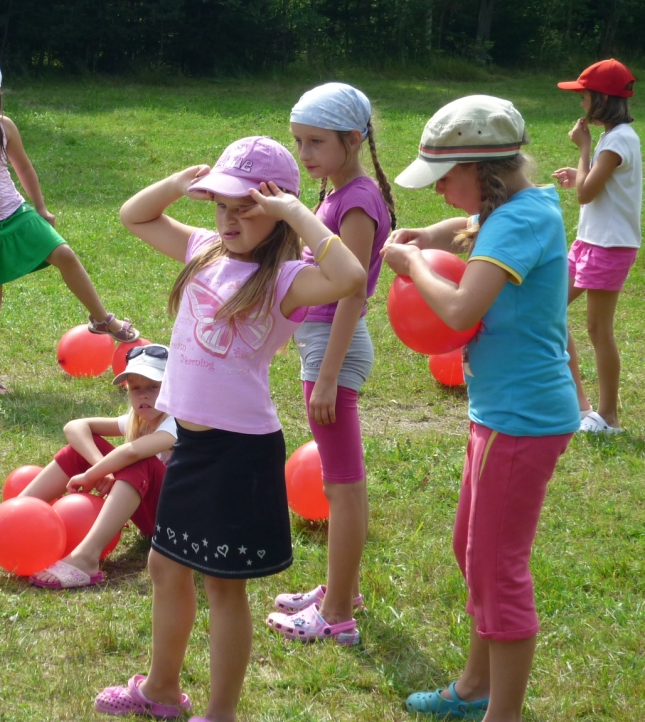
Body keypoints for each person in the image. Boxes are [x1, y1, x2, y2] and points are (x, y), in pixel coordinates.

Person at [94, 136, 365, 722]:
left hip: (240, 452)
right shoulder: (203, 248)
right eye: (221, 204)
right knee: (165, 566)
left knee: (223, 586)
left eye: (247, 208)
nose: (229, 219)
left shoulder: (288, 278)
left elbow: (349, 276)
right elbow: (133, 215)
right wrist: (180, 182)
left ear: (278, 211)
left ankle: (220, 713)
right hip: (189, 443)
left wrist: (296, 212)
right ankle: (162, 691)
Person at [382, 96, 579, 721]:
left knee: (497, 569)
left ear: (483, 171)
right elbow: (470, 225)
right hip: (501, 412)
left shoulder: (517, 222)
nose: (438, 189)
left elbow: (461, 309)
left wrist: (413, 263)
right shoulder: (520, 206)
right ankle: (474, 687)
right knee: (472, 549)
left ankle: (502, 713)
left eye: (445, 177)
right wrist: (430, 237)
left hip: (521, 420)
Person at [0, 54, 139, 394]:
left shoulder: (5, 127)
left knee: (64, 254)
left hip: (15, 213)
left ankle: (103, 319)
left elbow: (25, 168)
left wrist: (41, 208)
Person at [265, 83, 396, 646]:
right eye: (299, 141)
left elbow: (352, 293)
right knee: (341, 482)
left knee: (343, 488)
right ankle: (343, 589)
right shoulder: (339, 193)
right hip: (322, 347)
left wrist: (326, 375)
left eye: (316, 141)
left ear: (354, 139)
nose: (305, 153)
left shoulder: (357, 201)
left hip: (332, 352)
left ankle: (337, 614)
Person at [0, 344, 177, 589]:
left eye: (153, 387)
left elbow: (132, 451)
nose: (144, 395)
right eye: (136, 388)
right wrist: (101, 468)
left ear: (173, 389)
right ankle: (3, 520)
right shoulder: (138, 421)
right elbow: (75, 426)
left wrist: (93, 474)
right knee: (77, 452)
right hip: (156, 516)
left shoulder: (179, 423)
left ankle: (86, 558)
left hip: (178, 527)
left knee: (139, 461)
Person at [552, 59, 640, 434]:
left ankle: (609, 417)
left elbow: (586, 195)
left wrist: (583, 148)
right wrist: (580, 173)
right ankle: (578, 403)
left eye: (585, 97)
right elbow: (596, 185)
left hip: (610, 246)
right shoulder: (613, 137)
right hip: (589, 242)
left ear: (602, 99)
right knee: (549, 307)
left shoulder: (618, 140)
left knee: (598, 329)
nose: (581, 104)